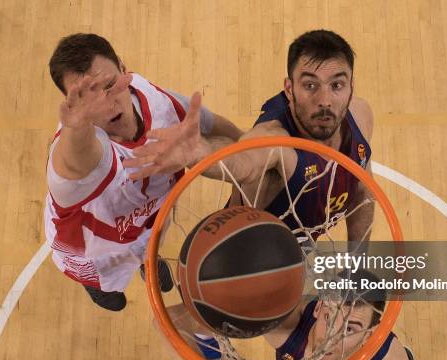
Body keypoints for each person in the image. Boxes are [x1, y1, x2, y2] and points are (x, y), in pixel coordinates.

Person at [43, 33, 241, 311]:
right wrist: (77, 126)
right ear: (72, 105)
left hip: (148, 218)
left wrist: (252, 151)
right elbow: (73, 165)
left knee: (154, 234)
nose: (107, 104)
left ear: (124, 70)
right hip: (97, 254)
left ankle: (149, 260)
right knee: (112, 292)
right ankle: (100, 288)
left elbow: (215, 127)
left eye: (111, 86)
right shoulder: (83, 157)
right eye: (89, 102)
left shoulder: (155, 99)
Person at [124, 29, 375, 247]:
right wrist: (200, 152)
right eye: (310, 85)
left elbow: (362, 192)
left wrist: (358, 268)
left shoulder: (360, 117)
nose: (325, 100)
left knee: (369, 296)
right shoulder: (275, 141)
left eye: (337, 85)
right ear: (289, 89)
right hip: (248, 260)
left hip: (298, 245)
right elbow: (242, 160)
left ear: (351, 86)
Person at [264, 270, 425, 360]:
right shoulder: (286, 326)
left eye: (349, 329)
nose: (331, 338)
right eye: (329, 318)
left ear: (367, 336)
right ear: (319, 307)